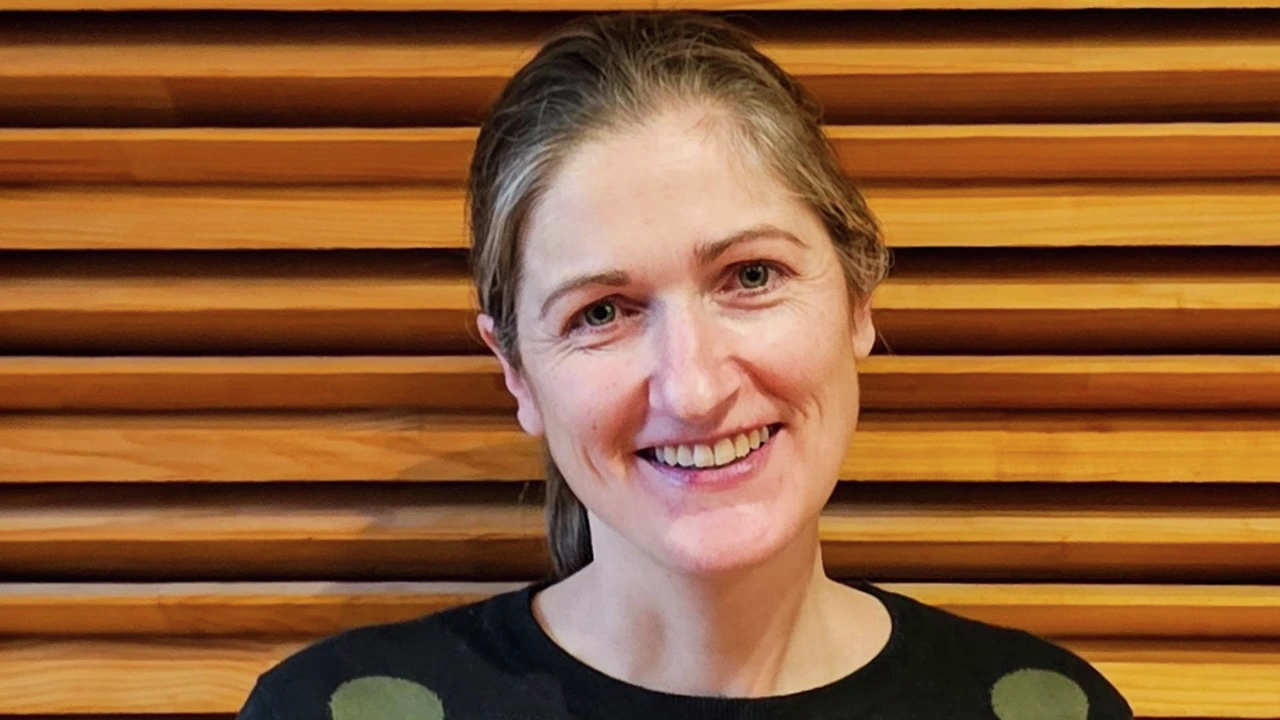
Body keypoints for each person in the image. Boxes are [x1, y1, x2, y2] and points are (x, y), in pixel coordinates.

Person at [237, 12, 1133, 720]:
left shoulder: (1046, 707)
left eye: (751, 276)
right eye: (601, 312)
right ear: (516, 375)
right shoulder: (330, 709)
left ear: (859, 300)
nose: (695, 388)